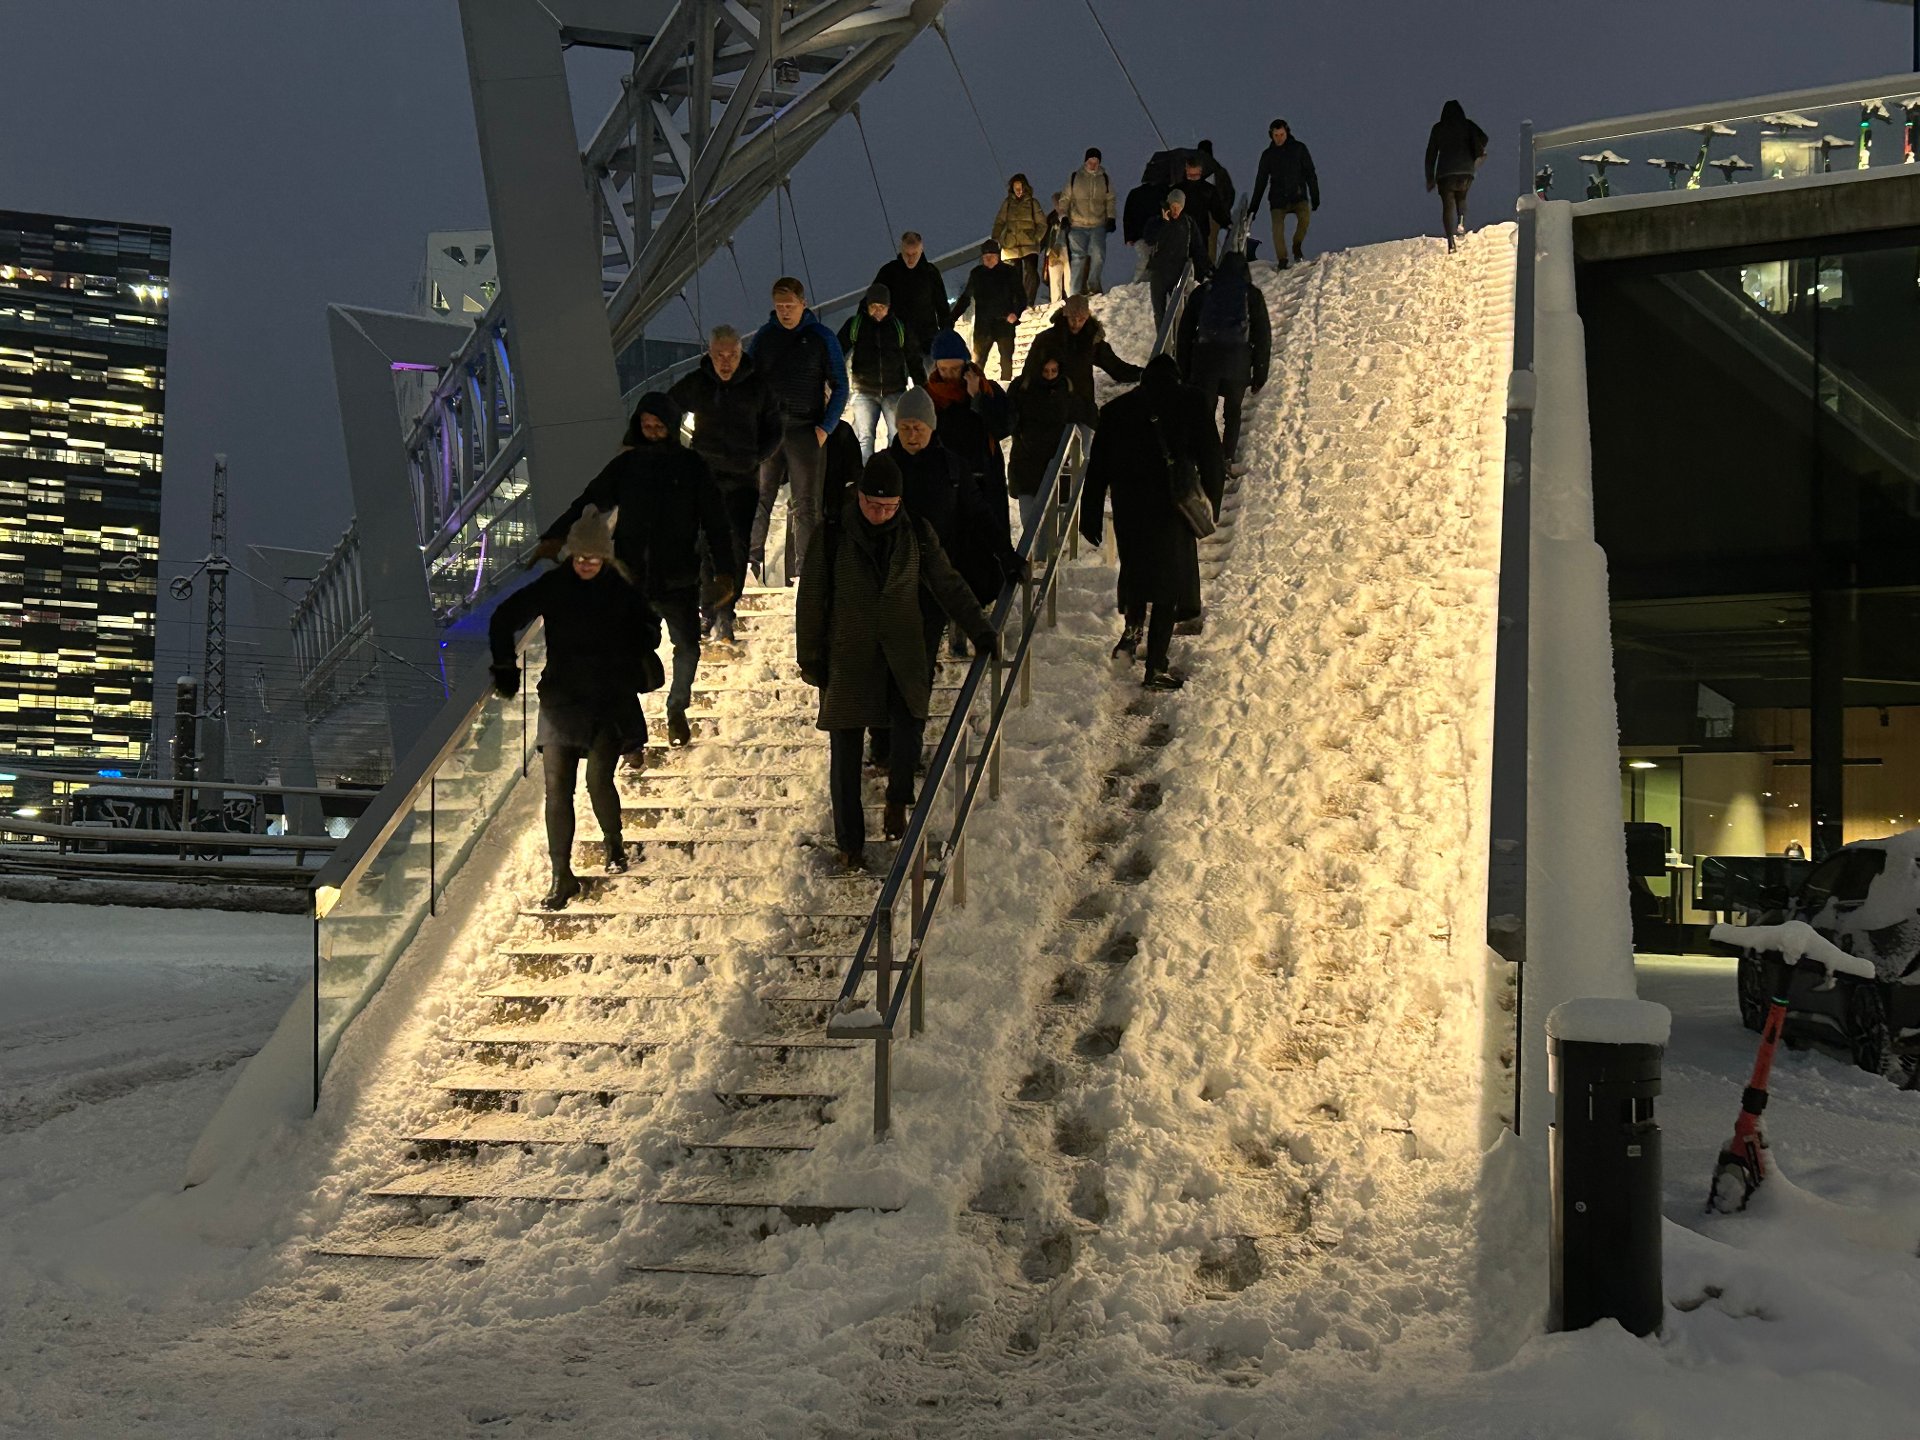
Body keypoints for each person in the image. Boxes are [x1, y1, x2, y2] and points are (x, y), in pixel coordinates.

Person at [796, 454, 997, 869]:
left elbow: (946, 581)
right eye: (874, 505)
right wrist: (811, 657)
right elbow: (811, 598)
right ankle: (849, 841)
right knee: (846, 751)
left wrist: (979, 628)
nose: (881, 514)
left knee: (909, 727)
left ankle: (898, 802)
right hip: (848, 655)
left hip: (902, 651)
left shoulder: (916, 532)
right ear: (860, 497)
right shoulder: (832, 535)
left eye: (889, 507)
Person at [538, 392, 736, 748]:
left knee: (688, 645)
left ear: (672, 427)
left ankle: (677, 709)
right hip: (633, 580)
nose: (653, 432)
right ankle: (632, 732)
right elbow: (589, 501)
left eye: (659, 426)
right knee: (627, 651)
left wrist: (725, 572)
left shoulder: (693, 467)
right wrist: (555, 535)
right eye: (647, 426)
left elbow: (717, 523)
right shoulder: (626, 467)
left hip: (678, 578)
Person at [491, 505, 662, 910]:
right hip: (562, 700)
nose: (586, 564)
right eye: (580, 557)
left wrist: (629, 650)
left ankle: (614, 844)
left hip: (606, 700)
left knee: (598, 780)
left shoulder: (621, 589)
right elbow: (503, 618)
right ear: (571, 555)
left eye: (594, 558)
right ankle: (561, 876)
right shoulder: (554, 586)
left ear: (605, 557)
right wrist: (504, 666)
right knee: (557, 792)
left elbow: (650, 631)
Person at [1079, 354, 1225, 691]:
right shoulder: (1191, 401)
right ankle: (1156, 664)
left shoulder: (1116, 410)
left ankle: (1131, 632)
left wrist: (1090, 516)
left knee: (1135, 571)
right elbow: (1212, 458)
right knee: (1168, 587)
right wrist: (1210, 504)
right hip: (1173, 508)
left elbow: (1097, 467)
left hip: (1130, 507)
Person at [669, 324, 784, 642]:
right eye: (719, 355)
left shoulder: (757, 386)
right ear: (710, 353)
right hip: (705, 480)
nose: (725, 361)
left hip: (743, 480)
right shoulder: (698, 384)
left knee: (736, 548)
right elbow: (667, 407)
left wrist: (757, 456)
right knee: (705, 548)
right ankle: (709, 613)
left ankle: (727, 611)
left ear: (740, 353)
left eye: (731, 354)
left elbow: (775, 424)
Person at [747, 276, 849, 582]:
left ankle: (808, 571)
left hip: (806, 429)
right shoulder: (765, 337)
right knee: (760, 498)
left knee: (806, 503)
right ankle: (750, 563)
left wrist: (825, 428)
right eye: (779, 307)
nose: (784, 312)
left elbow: (840, 385)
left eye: (790, 306)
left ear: (802, 304)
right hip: (772, 430)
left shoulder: (820, 336)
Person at [1176, 250, 1271, 470]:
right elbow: (1263, 336)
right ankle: (1226, 458)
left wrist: (1184, 367)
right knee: (1233, 412)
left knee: (1205, 413)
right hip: (1237, 361)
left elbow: (1185, 331)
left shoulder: (1203, 292)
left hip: (1205, 360)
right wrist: (1260, 373)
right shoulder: (1251, 295)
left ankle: (1204, 458)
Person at [1023, 293, 1143, 427]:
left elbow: (1115, 366)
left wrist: (1143, 374)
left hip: (1083, 408)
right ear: (1065, 316)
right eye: (1073, 319)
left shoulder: (1091, 341)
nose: (1076, 324)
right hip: (1054, 409)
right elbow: (1029, 372)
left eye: (1081, 319)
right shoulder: (1046, 340)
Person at [837, 283, 924, 462]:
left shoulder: (899, 326)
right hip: (864, 391)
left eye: (882, 307)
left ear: (889, 307)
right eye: (873, 307)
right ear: (867, 306)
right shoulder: (855, 325)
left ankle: (896, 476)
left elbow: (913, 358)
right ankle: (867, 479)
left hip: (895, 391)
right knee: (865, 439)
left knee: (897, 438)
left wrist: (922, 387)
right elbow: (837, 353)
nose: (877, 311)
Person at [1007, 355, 1076, 540]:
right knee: (1029, 519)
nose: (1049, 375)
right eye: (1045, 371)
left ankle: (1043, 556)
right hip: (1026, 460)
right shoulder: (1022, 387)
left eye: (1054, 371)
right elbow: (1010, 418)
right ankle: (1036, 555)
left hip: (1054, 459)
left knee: (1051, 518)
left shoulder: (1065, 388)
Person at [1248, 118, 1321, 268]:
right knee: (1277, 229)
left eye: (1281, 134)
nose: (1279, 138)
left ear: (1286, 133)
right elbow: (1260, 182)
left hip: (1298, 195)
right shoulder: (1268, 155)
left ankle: (1297, 246)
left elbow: (1310, 173)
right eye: (1276, 135)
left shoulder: (1299, 149)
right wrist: (1253, 207)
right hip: (1278, 199)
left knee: (1304, 219)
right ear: (1271, 135)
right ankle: (1282, 259)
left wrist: (1315, 196)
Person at [872, 231, 952, 362]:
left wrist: (947, 334)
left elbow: (942, 306)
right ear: (900, 249)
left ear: (921, 250)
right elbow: (871, 301)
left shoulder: (930, 273)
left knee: (931, 380)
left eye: (914, 254)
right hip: (897, 342)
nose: (910, 259)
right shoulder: (888, 272)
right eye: (906, 254)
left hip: (927, 341)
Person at [952, 244, 1026, 382]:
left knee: (1006, 361)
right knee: (978, 363)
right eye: (985, 257)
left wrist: (1016, 313)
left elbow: (1021, 296)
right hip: (983, 325)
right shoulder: (977, 274)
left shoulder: (1009, 272)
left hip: (1004, 323)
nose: (988, 260)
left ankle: (1004, 391)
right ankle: (977, 391)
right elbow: (965, 298)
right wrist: (951, 318)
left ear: (998, 256)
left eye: (991, 257)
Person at [1425, 100, 1489, 252]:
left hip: (1445, 173)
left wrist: (1430, 178)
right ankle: (1461, 222)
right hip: (1466, 170)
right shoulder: (1467, 124)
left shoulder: (1438, 128)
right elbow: (1484, 138)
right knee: (1462, 198)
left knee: (1447, 206)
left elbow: (1431, 154)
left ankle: (1450, 241)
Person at [1142, 188, 1208, 327]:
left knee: (1179, 311)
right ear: (1168, 205)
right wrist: (1164, 223)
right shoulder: (1156, 221)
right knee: (1159, 311)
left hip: (1178, 272)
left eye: (1179, 207)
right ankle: (1162, 344)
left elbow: (1198, 248)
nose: (1176, 210)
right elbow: (1149, 239)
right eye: (1173, 206)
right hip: (1159, 271)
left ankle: (1177, 342)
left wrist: (1205, 269)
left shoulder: (1188, 223)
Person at [991, 173, 1048, 311]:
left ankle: (1028, 302)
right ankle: (1016, 304)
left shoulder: (1033, 203)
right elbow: (999, 222)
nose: (1018, 190)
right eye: (1015, 187)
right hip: (1011, 244)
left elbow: (1042, 224)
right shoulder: (1007, 203)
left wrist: (1036, 237)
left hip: (1029, 244)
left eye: (1020, 187)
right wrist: (996, 239)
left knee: (1031, 273)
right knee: (1013, 276)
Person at [1063, 148, 1115, 295]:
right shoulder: (1075, 177)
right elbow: (1065, 199)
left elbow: (1110, 199)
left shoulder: (1104, 178)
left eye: (1096, 161)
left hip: (1098, 224)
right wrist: (1064, 217)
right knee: (1078, 259)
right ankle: (1074, 293)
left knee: (1098, 254)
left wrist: (1111, 217)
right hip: (1077, 225)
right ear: (1085, 161)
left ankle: (1093, 284)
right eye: (1090, 161)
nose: (1093, 164)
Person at [1179, 153, 1232, 263]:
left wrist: (1226, 222)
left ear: (1201, 171)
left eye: (1196, 175)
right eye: (1190, 175)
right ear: (1186, 170)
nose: (1193, 179)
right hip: (1181, 232)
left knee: (1200, 261)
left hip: (1201, 231)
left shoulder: (1208, 190)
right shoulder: (1178, 190)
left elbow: (1216, 210)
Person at [1040, 193, 1072, 309]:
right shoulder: (1051, 218)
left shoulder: (1072, 216)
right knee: (1055, 280)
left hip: (1068, 250)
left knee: (1069, 280)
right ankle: (1055, 306)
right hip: (1053, 250)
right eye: (1056, 203)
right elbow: (1044, 235)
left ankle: (1070, 302)